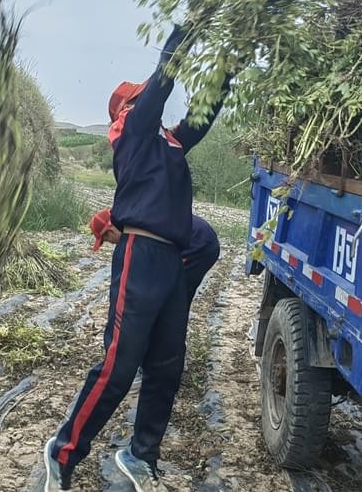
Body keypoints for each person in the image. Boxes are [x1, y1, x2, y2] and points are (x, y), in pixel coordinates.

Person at [43, 25, 229, 492]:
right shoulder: (130, 136)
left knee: (167, 367)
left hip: (171, 260)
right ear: (126, 110)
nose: (146, 102)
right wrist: (182, 36)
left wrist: (227, 68)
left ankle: (141, 454)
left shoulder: (168, 143)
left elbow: (202, 117)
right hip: (139, 256)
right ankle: (63, 451)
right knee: (118, 366)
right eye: (139, 100)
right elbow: (160, 85)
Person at [89, 207, 220, 309]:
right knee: (174, 291)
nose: (111, 243)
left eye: (106, 239)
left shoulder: (135, 227)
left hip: (199, 244)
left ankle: (171, 335)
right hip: (196, 241)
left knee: (175, 292)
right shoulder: (131, 218)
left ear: (110, 230)